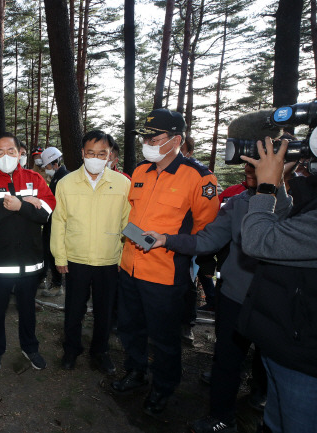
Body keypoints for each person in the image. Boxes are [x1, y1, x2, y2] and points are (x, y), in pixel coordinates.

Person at [141, 111, 291, 433]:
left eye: (257, 165)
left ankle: (261, 397)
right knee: (226, 358)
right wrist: (167, 239)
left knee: (272, 362)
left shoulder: (295, 206)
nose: (249, 171)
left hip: (276, 301)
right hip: (235, 295)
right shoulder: (237, 204)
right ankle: (222, 416)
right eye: (247, 164)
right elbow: (207, 239)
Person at [112, 108, 219, 415]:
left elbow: (206, 231)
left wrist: (174, 246)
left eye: (154, 137)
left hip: (165, 273)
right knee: (130, 328)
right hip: (130, 265)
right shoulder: (141, 172)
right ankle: (135, 371)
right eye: (144, 137)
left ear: (176, 140)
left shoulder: (199, 177)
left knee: (164, 338)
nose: (147, 142)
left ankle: (163, 387)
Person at [236, 137, 317, 433]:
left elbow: (259, 240)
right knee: (273, 422)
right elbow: (284, 228)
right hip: (285, 342)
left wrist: (266, 187)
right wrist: (280, 184)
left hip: (306, 360)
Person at [51, 130, 130, 373]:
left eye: (102, 153)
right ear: (83, 153)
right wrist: (60, 256)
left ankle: (101, 351)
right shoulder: (66, 183)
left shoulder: (123, 184)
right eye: (91, 152)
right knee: (74, 309)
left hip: (109, 260)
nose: (96, 157)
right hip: (76, 258)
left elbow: (128, 223)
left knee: (105, 311)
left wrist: (123, 256)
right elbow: (59, 221)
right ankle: (71, 349)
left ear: (110, 155)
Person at [0, 133, 56, 373]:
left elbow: (47, 212)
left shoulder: (35, 178)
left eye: (11, 151)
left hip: (30, 262)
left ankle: (30, 347)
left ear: (20, 152)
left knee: (28, 309)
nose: (6, 156)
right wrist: (25, 203)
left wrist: (19, 205)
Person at [39, 146, 69, 297]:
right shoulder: (58, 177)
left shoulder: (63, 178)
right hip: (51, 222)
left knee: (55, 253)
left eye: (47, 166)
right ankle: (57, 283)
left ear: (54, 163)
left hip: (58, 223)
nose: (46, 170)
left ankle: (58, 285)